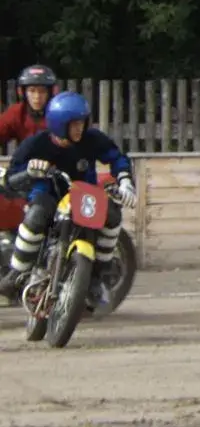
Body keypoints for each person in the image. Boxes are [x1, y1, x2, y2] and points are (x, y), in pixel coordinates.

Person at [0, 91, 138, 307]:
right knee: (36, 215)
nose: (79, 128)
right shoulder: (36, 144)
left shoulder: (92, 139)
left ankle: (99, 275)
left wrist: (126, 182)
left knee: (112, 214)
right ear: (57, 124)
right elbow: (11, 178)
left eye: (82, 122)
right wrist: (30, 172)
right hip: (47, 194)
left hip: (84, 195)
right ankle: (16, 273)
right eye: (73, 124)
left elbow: (117, 157)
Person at [0, 65, 59, 232]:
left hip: (57, 175)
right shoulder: (17, 113)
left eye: (42, 91)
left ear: (50, 92)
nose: (37, 97)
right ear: (23, 92)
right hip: (26, 175)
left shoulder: (58, 113)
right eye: (32, 91)